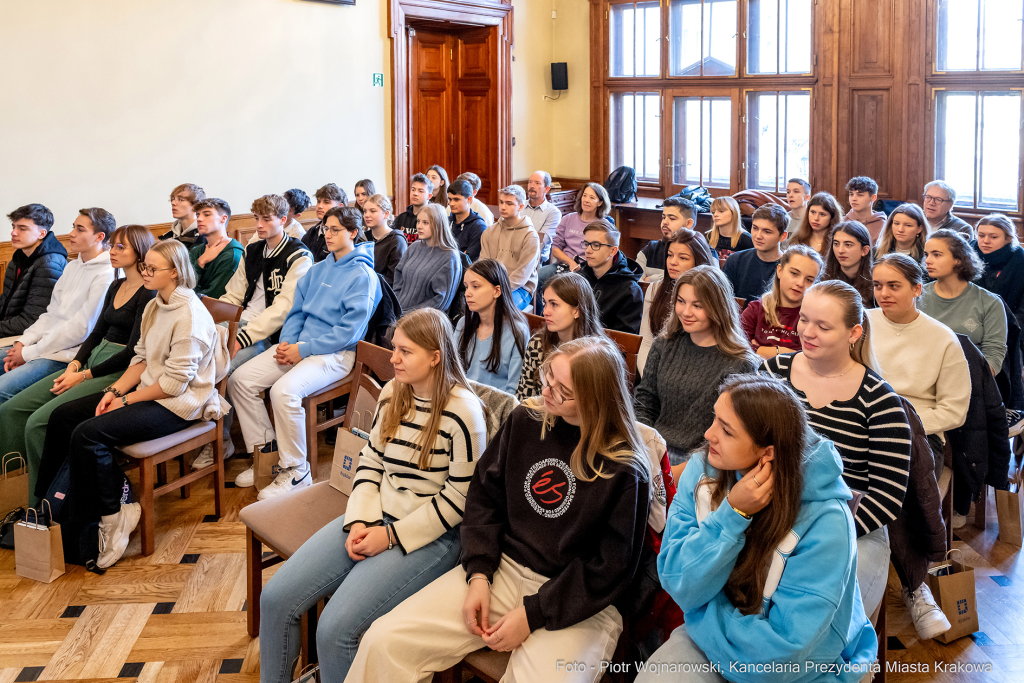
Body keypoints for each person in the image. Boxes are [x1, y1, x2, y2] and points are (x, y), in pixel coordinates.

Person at [347, 336, 651, 683]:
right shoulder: (527, 419)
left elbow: (608, 571)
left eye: (563, 390)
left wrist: (532, 614)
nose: (547, 390)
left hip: (575, 600)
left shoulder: (625, 469)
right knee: (384, 641)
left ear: (596, 400)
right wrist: (479, 573)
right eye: (547, 376)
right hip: (501, 568)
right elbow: (483, 499)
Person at [258, 308, 486, 682]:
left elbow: (460, 500)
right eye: (393, 347)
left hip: (429, 536)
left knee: (334, 632)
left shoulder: (463, 412)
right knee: (276, 599)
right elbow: (371, 459)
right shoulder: (394, 391)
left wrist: (390, 535)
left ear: (435, 357)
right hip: (375, 515)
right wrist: (361, 519)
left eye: (405, 351)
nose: (393, 358)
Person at [637, 375, 877, 683]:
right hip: (718, 639)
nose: (708, 433)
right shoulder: (702, 470)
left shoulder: (828, 521)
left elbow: (785, 653)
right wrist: (732, 515)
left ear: (768, 452)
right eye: (715, 419)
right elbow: (677, 580)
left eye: (726, 430)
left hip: (804, 669)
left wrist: (703, 613)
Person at [39, 239, 229, 569]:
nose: (145, 272)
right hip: (149, 391)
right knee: (62, 417)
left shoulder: (190, 316)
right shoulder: (157, 304)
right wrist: (114, 391)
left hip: (180, 405)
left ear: (175, 272)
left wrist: (125, 400)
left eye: (151, 268)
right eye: (144, 266)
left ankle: (115, 518)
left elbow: (173, 385)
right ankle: (50, 511)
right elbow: (140, 358)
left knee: (88, 435)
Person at [758, 280, 912, 617]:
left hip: (850, 524)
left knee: (820, 613)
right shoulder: (772, 374)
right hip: (771, 512)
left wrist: (818, 534)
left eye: (823, 326)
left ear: (853, 333)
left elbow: (886, 497)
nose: (807, 332)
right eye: (804, 320)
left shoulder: (879, 400)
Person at [229, 205, 381, 499]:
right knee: (241, 381)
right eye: (326, 228)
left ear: (353, 232)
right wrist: (286, 344)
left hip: (336, 354)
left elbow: (348, 333)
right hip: (300, 346)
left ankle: (298, 471)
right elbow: (296, 312)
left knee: (283, 392)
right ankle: (269, 457)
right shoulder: (319, 268)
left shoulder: (363, 275)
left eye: (336, 229)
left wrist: (304, 349)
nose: (328, 235)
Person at [0, 225, 154, 502]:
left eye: (121, 247)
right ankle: (12, 490)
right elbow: (97, 333)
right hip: (92, 359)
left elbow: (133, 351)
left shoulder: (148, 292)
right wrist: (76, 364)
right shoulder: (117, 284)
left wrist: (83, 375)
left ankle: (42, 501)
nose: (112, 251)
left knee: (38, 423)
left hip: (119, 367)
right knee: (12, 409)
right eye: (113, 245)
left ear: (140, 252)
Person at [869, 254, 968, 639]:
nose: (883, 293)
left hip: (921, 433)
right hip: (866, 424)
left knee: (890, 478)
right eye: (877, 285)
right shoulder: (862, 322)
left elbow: (955, 410)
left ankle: (915, 587)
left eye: (894, 286)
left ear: (916, 289)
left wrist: (902, 426)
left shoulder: (941, 338)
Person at [634, 265, 759, 469]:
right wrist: (647, 447)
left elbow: (732, 432)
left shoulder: (741, 363)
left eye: (698, 305)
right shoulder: (664, 344)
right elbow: (645, 400)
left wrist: (686, 468)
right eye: (681, 302)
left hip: (706, 459)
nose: (686, 312)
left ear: (718, 308)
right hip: (654, 448)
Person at [0, 208, 115, 407]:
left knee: (2, 390)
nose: (71, 233)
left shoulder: (106, 274)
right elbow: (50, 313)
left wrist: (28, 353)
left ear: (99, 236)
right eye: (73, 227)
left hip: (67, 355)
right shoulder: (72, 266)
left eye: (80, 229)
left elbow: (81, 329)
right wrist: (22, 342)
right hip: (44, 346)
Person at [921, 229, 1007, 375]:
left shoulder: (989, 302)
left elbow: (994, 355)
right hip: (923, 376)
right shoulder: (917, 296)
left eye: (936, 255)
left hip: (971, 380)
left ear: (958, 259)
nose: (928, 260)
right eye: (926, 255)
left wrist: (967, 382)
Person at [639, 229, 717, 374]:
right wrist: (649, 378)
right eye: (669, 255)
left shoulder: (711, 293)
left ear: (698, 260)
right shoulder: (656, 288)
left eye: (683, 258)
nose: (673, 262)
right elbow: (646, 343)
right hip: (656, 369)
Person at [516, 272, 603, 401]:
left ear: (577, 310)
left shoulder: (596, 354)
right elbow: (524, 397)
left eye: (554, 304)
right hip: (539, 416)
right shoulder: (537, 343)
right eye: (545, 303)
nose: (545, 311)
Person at [454, 259, 530, 395]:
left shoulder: (517, 331)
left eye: (475, 286)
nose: (467, 293)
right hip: (462, 401)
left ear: (497, 291)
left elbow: (513, 390)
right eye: (466, 287)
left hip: (496, 409)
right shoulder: (463, 324)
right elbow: (451, 370)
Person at [537, 183, 613, 312]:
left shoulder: (604, 225)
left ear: (600, 203)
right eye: (584, 196)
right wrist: (570, 262)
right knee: (537, 277)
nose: (586, 200)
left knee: (569, 291)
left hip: (589, 269)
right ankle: (543, 316)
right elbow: (555, 248)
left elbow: (608, 253)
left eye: (592, 198)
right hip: (564, 265)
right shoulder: (568, 219)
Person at [740, 245, 823, 358]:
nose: (800, 283)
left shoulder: (814, 318)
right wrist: (783, 352)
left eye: (809, 280)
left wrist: (759, 350)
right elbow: (738, 347)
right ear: (780, 271)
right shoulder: (756, 309)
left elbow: (809, 358)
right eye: (794, 273)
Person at [1, 204, 67, 339]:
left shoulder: (48, 264)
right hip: (12, 328)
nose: (13, 232)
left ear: (41, 234)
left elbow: (32, 321)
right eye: (14, 227)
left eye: (22, 229)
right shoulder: (19, 257)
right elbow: (5, 302)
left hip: (30, 336)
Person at [479, 184, 540, 311]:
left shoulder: (530, 236)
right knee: (471, 303)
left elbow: (521, 275)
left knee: (498, 310)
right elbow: (483, 264)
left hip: (521, 289)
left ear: (521, 207)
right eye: (501, 202)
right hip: (493, 285)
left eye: (509, 203)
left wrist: (498, 290)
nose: (503, 207)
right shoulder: (489, 232)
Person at [393, 203, 462, 313]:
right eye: (418, 221)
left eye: (425, 223)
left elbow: (441, 301)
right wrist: (395, 305)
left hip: (425, 320)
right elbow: (398, 275)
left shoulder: (450, 257)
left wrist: (407, 315)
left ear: (438, 224)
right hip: (399, 312)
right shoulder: (415, 247)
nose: (419, 226)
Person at [578, 222, 643, 334]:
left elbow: (625, 340)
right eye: (586, 244)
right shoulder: (579, 277)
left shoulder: (629, 289)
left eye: (596, 245)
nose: (588, 250)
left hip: (604, 349)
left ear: (613, 251)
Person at [722, 204, 789, 304]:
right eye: (755, 228)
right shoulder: (735, 261)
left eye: (767, 231)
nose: (758, 236)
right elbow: (723, 302)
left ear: (782, 236)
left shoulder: (789, 268)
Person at [974, 213, 1024, 331]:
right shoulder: (968, 256)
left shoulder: (1019, 261)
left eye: (993, 237)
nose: (986, 241)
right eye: (981, 235)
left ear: (1008, 239)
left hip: (1008, 325)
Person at [189, 198, 244, 299]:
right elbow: (181, 288)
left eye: (206, 214)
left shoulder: (233, 254)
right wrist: (201, 262)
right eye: (198, 215)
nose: (199, 219)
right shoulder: (195, 251)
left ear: (223, 219)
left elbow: (212, 297)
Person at [823, 220, 874, 307]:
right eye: (836, 244)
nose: (840, 250)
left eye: (848, 245)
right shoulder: (823, 279)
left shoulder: (875, 282)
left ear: (864, 250)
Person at [362, 193, 407, 287]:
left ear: (386, 214)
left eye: (372, 211)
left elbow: (394, 278)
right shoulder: (362, 238)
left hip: (384, 292)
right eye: (365, 211)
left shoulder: (396, 240)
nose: (366, 215)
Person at [786, 192, 844, 258]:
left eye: (822, 214)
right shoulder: (797, 239)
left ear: (832, 217)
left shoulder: (838, 243)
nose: (816, 218)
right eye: (813, 212)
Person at [523, 170, 563, 265]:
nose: (532, 186)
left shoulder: (553, 212)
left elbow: (541, 241)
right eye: (530, 182)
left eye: (537, 183)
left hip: (536, 260)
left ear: (546, 189)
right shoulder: (519, 206)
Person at [301, 183, 347, 262]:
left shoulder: (344, 233)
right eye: (318, 201)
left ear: (340, 206)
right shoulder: (312, 232)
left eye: (326, 202)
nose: (320, 206)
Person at [447, 179, 487, 261]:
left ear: (469, 199)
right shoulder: (446, 221)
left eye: (456, 199)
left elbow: (467, 260)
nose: (451, 204)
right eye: (450, 199)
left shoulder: (479, 226)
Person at [159, 183, 207, 248]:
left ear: (196, 204)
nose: (173, 203)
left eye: (181, 199)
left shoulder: (204, 238)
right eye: (173, 199)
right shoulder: (167, 237)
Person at [705, 195, 753, 261]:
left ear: (734, 212)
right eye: (713, 212)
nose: (715, 215)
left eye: (721, 211)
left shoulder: (746, 239)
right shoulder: (708, 236)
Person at [844, 176, 886, 243]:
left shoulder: (883, 224)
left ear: (873, 197)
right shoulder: (842, 222)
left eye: (860, 195)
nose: (853, 199)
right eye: (851, 194)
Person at [394, 173, 434, 245]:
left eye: (420, 191)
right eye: (413, 189)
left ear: (429, 196)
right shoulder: (401, 218)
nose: (415, 193)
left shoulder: (434, 217)